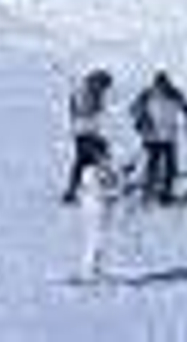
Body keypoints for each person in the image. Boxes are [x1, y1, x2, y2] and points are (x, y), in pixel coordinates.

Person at [130, 71, 187, 205]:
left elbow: (185, 106)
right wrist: (141, 122)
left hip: (168, 136)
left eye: (163, 86)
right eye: (158, 86)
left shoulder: (174, 94)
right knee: (153, 165)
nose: (160, 89)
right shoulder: (147, 94)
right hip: (153, 136)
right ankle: (149, 190)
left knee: (170, 167)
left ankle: (165, 194)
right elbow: (134, 108)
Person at [62, 69, 113, 204]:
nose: (104, 91)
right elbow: (84, 109)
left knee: (83, 161)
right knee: (97, 158)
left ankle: (73, 190)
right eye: (104, 86)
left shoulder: (91, 92)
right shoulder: (84, 92)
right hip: (84, 132)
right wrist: (95, 104)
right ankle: (103, 186)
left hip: (89, 131)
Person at [77, 138, 122, 283]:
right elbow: (96, 191)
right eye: (102, 153)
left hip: (104, 209)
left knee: (101, 240)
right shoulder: (89, 172)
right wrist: (111, 194)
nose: (105, 156)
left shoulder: (106, 168)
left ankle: (97, 268)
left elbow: (114, 183)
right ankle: (88, 271)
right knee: (94, 239)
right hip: (94, 209)